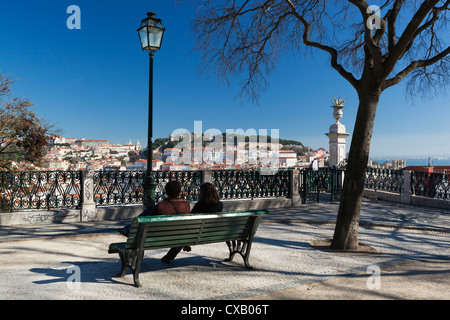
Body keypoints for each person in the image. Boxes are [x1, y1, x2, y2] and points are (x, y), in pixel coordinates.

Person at [161, 182, 223, 264]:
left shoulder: (199, 206)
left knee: (184, 234)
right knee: (187, 233)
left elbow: (189, 221)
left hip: (195, 233)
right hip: (212, 233)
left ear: (202, 193)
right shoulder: (220, 205)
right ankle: (185, 245)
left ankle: (169, 256)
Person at [117, 180, 190, 236]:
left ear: (166, 193)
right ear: (179, 193)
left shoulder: (160, 207)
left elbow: (146, 221)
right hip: (178, 235)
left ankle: (128, 228)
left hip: (156, 236)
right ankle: (128, 228)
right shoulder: (186, 205)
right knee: (152, 207)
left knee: (152, 207)